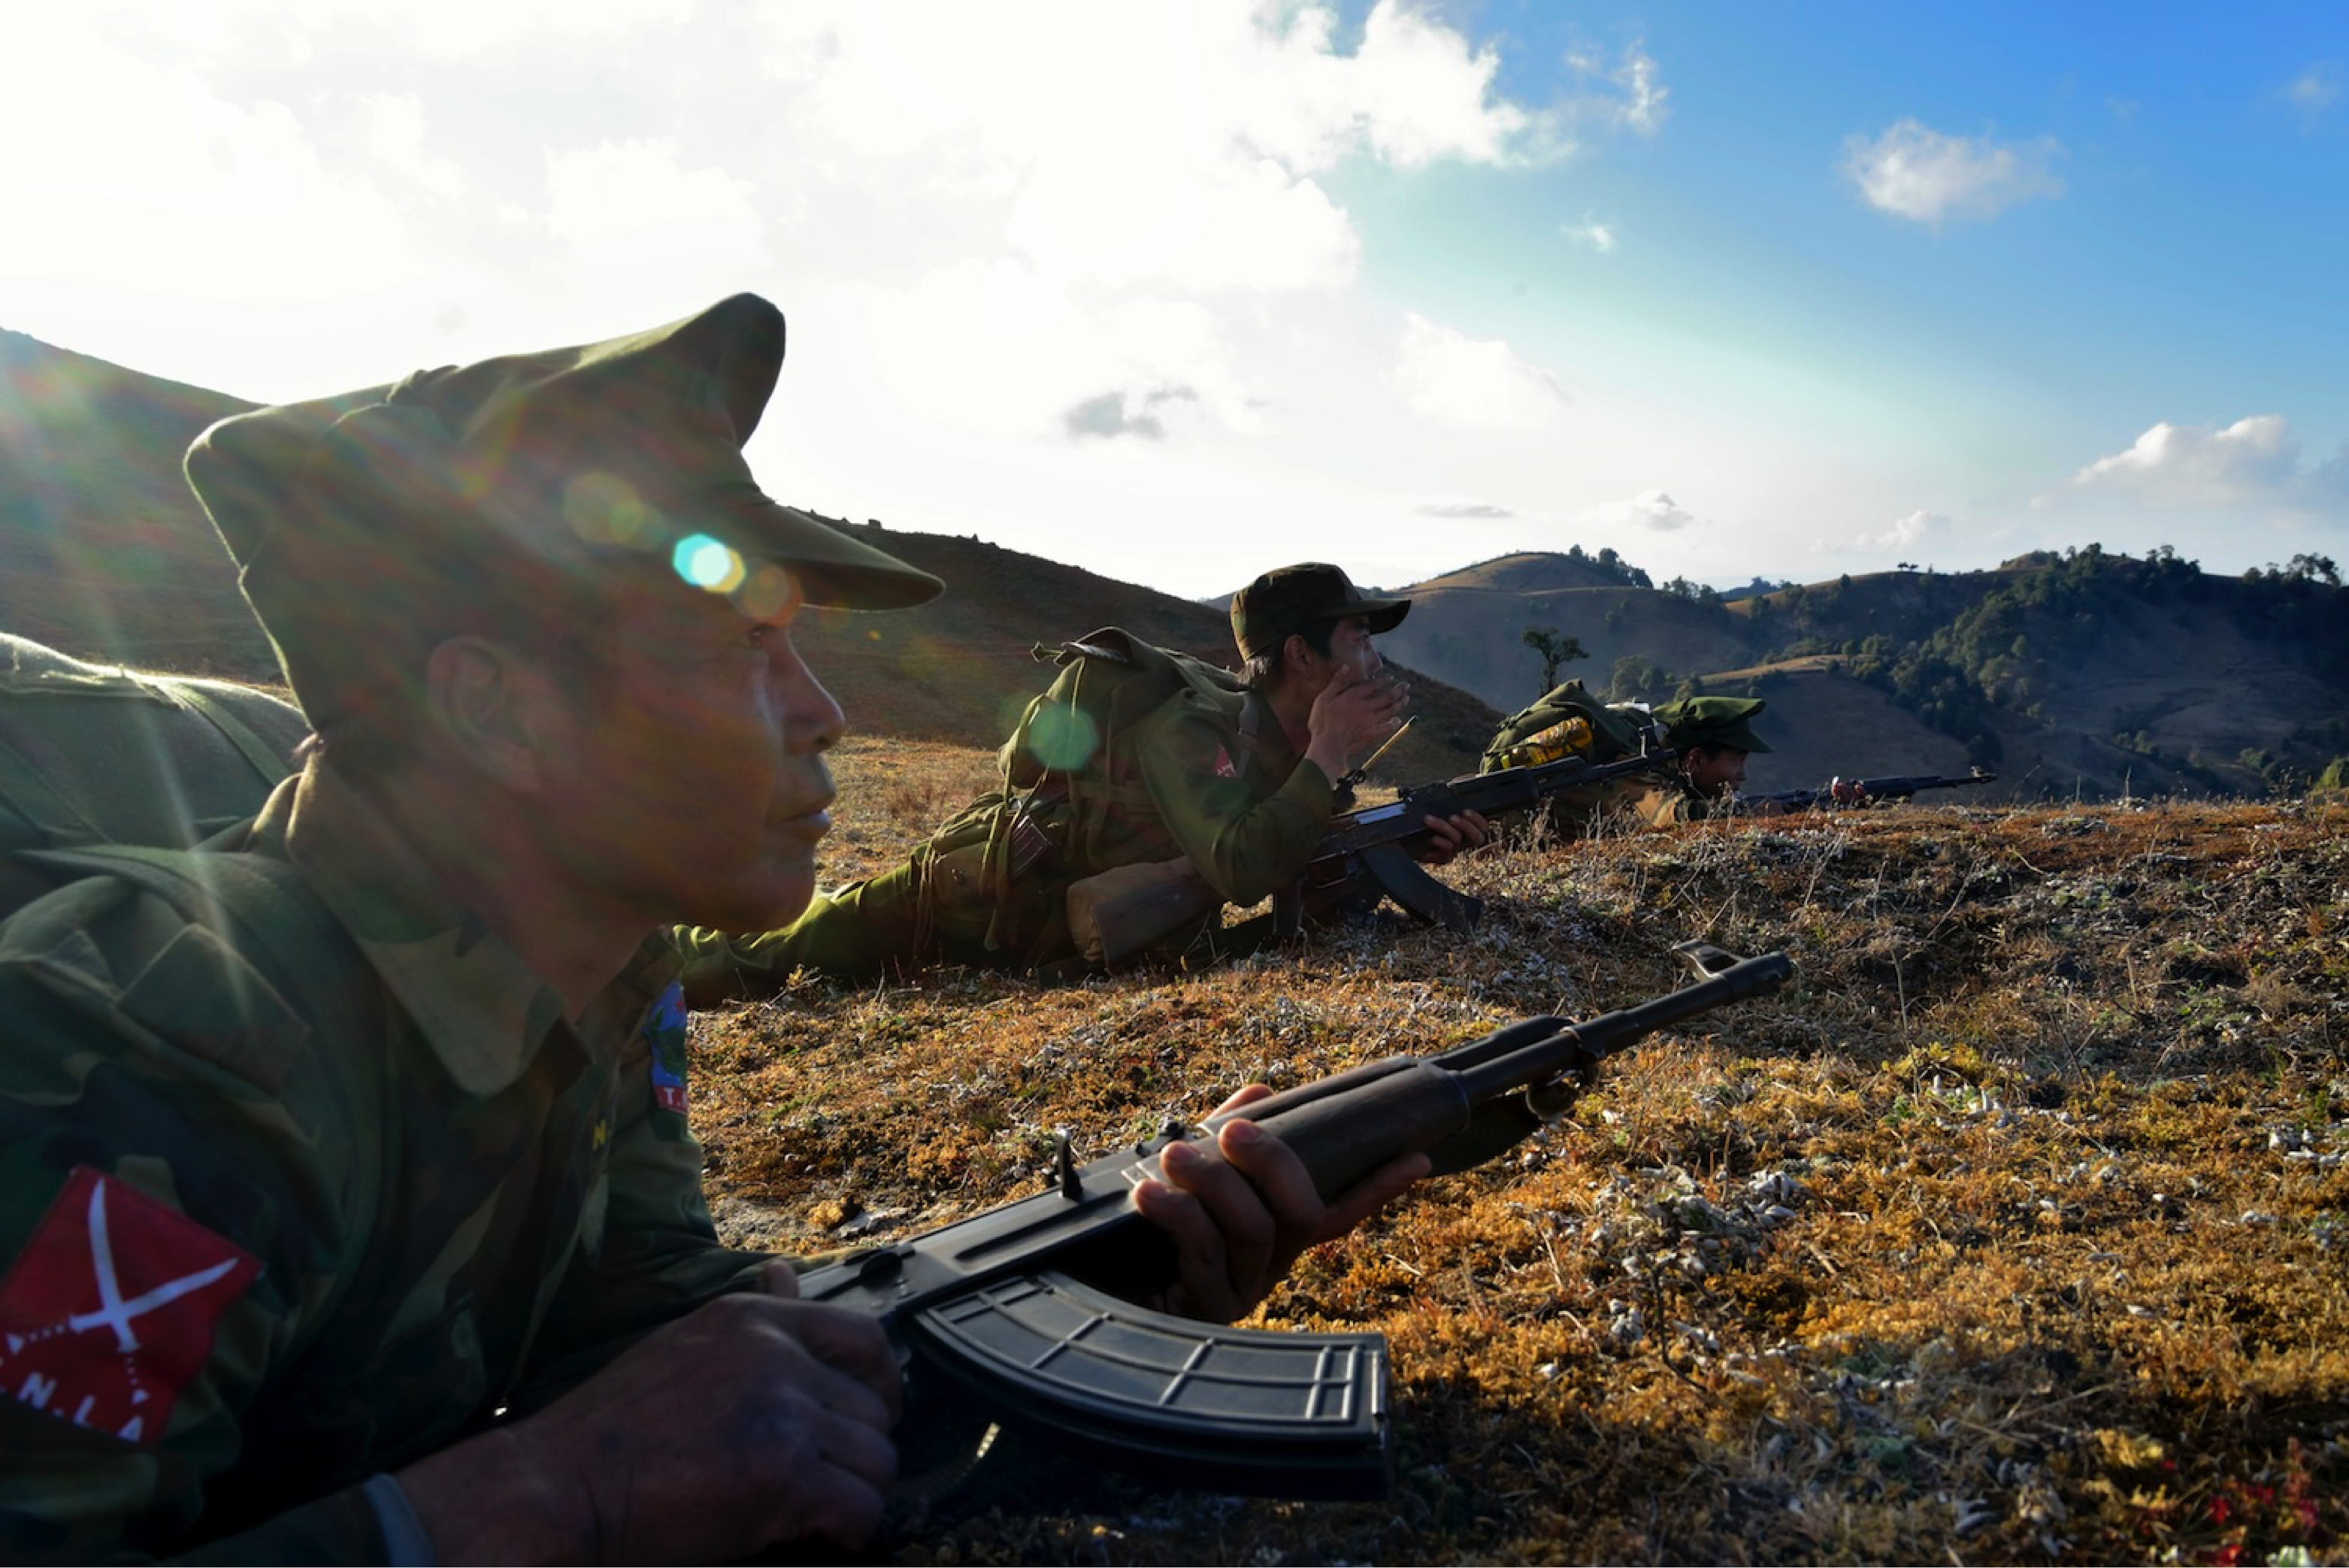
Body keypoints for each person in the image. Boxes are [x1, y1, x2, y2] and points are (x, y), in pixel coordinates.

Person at [0, 295, 1428, 1566]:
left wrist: (1131, 1264)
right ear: (494, 707)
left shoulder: (606, 969)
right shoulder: (164, 1069)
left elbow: (669, 1337)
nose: (825, 712)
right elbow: (603, 1451)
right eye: (743, 649)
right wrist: (553, 1497)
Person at [677, 562, 1489, 997]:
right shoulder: (1191, 730)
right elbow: (1241, 869)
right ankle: (651, 952)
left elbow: (1287, 854)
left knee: (800, 937)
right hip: (972, 893)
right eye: (1358, 638)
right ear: (1302, 657)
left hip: (1047, 915)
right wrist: (1328, 755)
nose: (1375, 660)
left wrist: (1411, 845)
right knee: (772, 959)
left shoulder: (1292, 742)